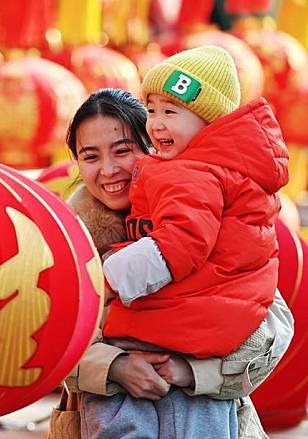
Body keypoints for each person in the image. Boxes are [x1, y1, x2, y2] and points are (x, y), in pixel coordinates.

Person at [64, 88, 294, 438]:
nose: (109, 170)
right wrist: (115, 367)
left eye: (123, 151)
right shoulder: (66, 238)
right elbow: (39, 341)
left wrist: (190, 371)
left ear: (155, 146)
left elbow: (271, 331)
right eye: (90, 156)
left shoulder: (215, 218)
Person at [102, 45, 289, 359]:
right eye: (151, 110)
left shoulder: (193, 172)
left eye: (170, 112)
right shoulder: (219, 166)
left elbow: (182, 241)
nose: (156, 124)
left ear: (209, 121)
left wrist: (108, 277)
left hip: (183, 318)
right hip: (219, 312)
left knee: (125, 406)